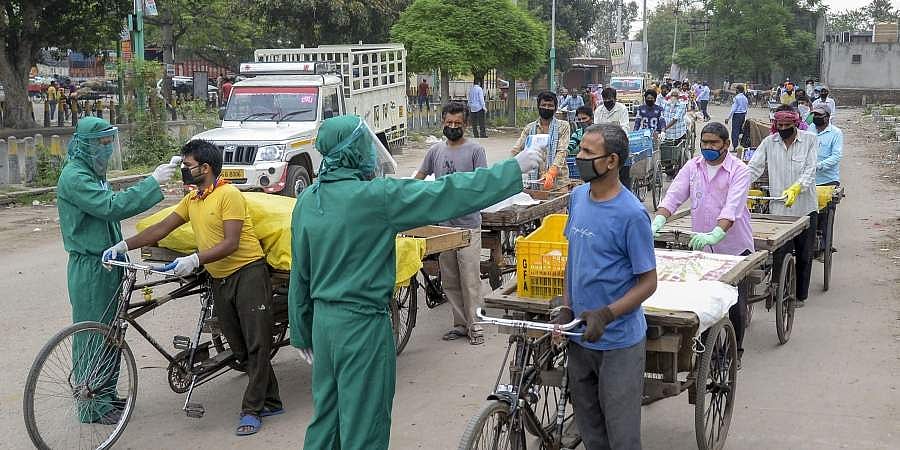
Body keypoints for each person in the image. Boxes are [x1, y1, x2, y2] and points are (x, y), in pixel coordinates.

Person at [289, 115, 544, 450]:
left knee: (327, 418)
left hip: (324, 325)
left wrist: (301, 329)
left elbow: (300, 274)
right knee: (365, 421)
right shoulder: (377, 197)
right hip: (362, 325)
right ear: (354, 152)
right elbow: (448, 193)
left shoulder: (309, 199)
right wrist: (512, 170)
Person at [107, 140, 284, 436]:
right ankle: (272, 399)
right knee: (239, 347)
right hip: (220, 278)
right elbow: (162, 228)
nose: (185, 172)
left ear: (206, 168)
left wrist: (194, 259)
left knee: (257, 344)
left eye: (188, 166)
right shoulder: (194, 200)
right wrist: (123, 245)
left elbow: (231, 242)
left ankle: (252, 410)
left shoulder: (229, 196)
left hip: (248, 273)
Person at [57, 117, 177, 424]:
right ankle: (91, 404)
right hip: (90, 267)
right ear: (85, 145)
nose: (107, 150)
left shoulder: (93, 173)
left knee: (112, 334)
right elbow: (111, 206)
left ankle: (105, 396)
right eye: (102, 144)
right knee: (94, 336)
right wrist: (152, 182)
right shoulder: (75, 177)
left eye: (110, 143)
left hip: (109, 261)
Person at [556, 123, 657, 450]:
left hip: (617, 343)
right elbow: (574, 258)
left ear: (611, 161)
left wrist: (607, 314)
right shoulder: (577, 197)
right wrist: (567, 306)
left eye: (587, 152)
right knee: (590, 432)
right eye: (579, 150)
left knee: (622, 436)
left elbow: (649, 282)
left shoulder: (631, 214)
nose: (578, 157)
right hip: (580, 336)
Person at [651, 122, 755, 367]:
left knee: (734, 301)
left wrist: (717, 233)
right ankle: (707, 351)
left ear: (726, 145)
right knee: (707, 300)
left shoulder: (739, 170)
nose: (708, 147)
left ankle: (733, 352)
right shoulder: (693, 166)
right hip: (703, 247)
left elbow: (733, 206)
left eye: (714, 143)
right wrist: (657, 220)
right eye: (705, 142)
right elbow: (674, 195)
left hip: (733, 246)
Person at [414, 102, 488, 345]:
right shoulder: (435, 151)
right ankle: (460, 324)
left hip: (468, 224)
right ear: (443, 123)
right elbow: (419, 178)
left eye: (458, 123)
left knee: (470, 278)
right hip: (443, 227)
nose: (453, 127)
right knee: (450, 279)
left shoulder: (476, 150)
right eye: (449, 123)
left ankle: (476, 325)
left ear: (465, 124)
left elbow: (483, 183)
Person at [747, 106, 819, 307]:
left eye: (788, 125)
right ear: (775, 125)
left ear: (796, 123)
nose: (784, 128)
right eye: (780, 125)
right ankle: (779, 290)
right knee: (780, 253)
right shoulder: (769, 143)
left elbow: (810, 170)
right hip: (779, 210)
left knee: (804, 256)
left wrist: (797, 188)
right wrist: (738, 185)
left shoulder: (810, 140)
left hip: (804, 208)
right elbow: (754, 167)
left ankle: (800, 296)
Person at [511, 91, 571, 189]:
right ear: (538, 106)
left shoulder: (563, 126)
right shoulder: (529, 128)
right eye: (544, 105)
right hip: (536, 182)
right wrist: (507, 168)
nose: (547, 108)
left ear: (555, 108)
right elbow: (516, 150)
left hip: (559, 183)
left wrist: (552, 172)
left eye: (550, 105)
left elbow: (562, 151)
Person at [725, 84, 750, 150]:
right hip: (743, 115)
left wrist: (728, 118)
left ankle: (735, 147)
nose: (735, 90)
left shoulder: (736, 98)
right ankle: (741, 145)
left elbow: (733, 109)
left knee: (735, 131)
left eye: (736, 89)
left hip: (737, 115)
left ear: (738, 90)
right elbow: (746, 108)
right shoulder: (745, 98)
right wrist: (744, 115)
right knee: (740, 130)